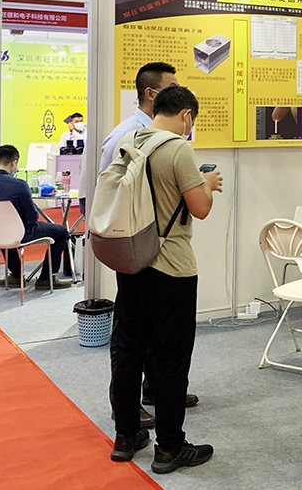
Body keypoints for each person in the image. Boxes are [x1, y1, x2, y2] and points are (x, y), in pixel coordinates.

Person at [109, 85, 223, 474]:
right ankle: (170, 447)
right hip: (171, 267)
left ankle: (126, 435)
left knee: (128, 351)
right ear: (186, 115)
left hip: (131, 261)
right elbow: (200, 208)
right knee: (172, 358)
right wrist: (208, 184)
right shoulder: (178, 149)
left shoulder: (129, 141)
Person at [100, 62, 190, 431]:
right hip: (136, 247)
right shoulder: (126, 135)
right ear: (152, 94)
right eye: (171, 86)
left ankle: (154, 391)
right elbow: (107, 191)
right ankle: (127, 408)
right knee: (130, 338)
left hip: (153, 244)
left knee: (152, 334)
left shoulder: (163, 137)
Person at [0, 145, 72, 289]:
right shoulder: (19, 185)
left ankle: (16, 276)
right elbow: (32, 217)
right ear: (14, 163)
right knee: (61, 232)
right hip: (19, 232)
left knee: (3, 229)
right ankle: (46, 278)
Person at [101, 63, 179, 174]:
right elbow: (107, 181)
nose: (177, 95)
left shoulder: (165, 132)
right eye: (171, 89)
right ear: (150, 94)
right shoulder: (124, 134)